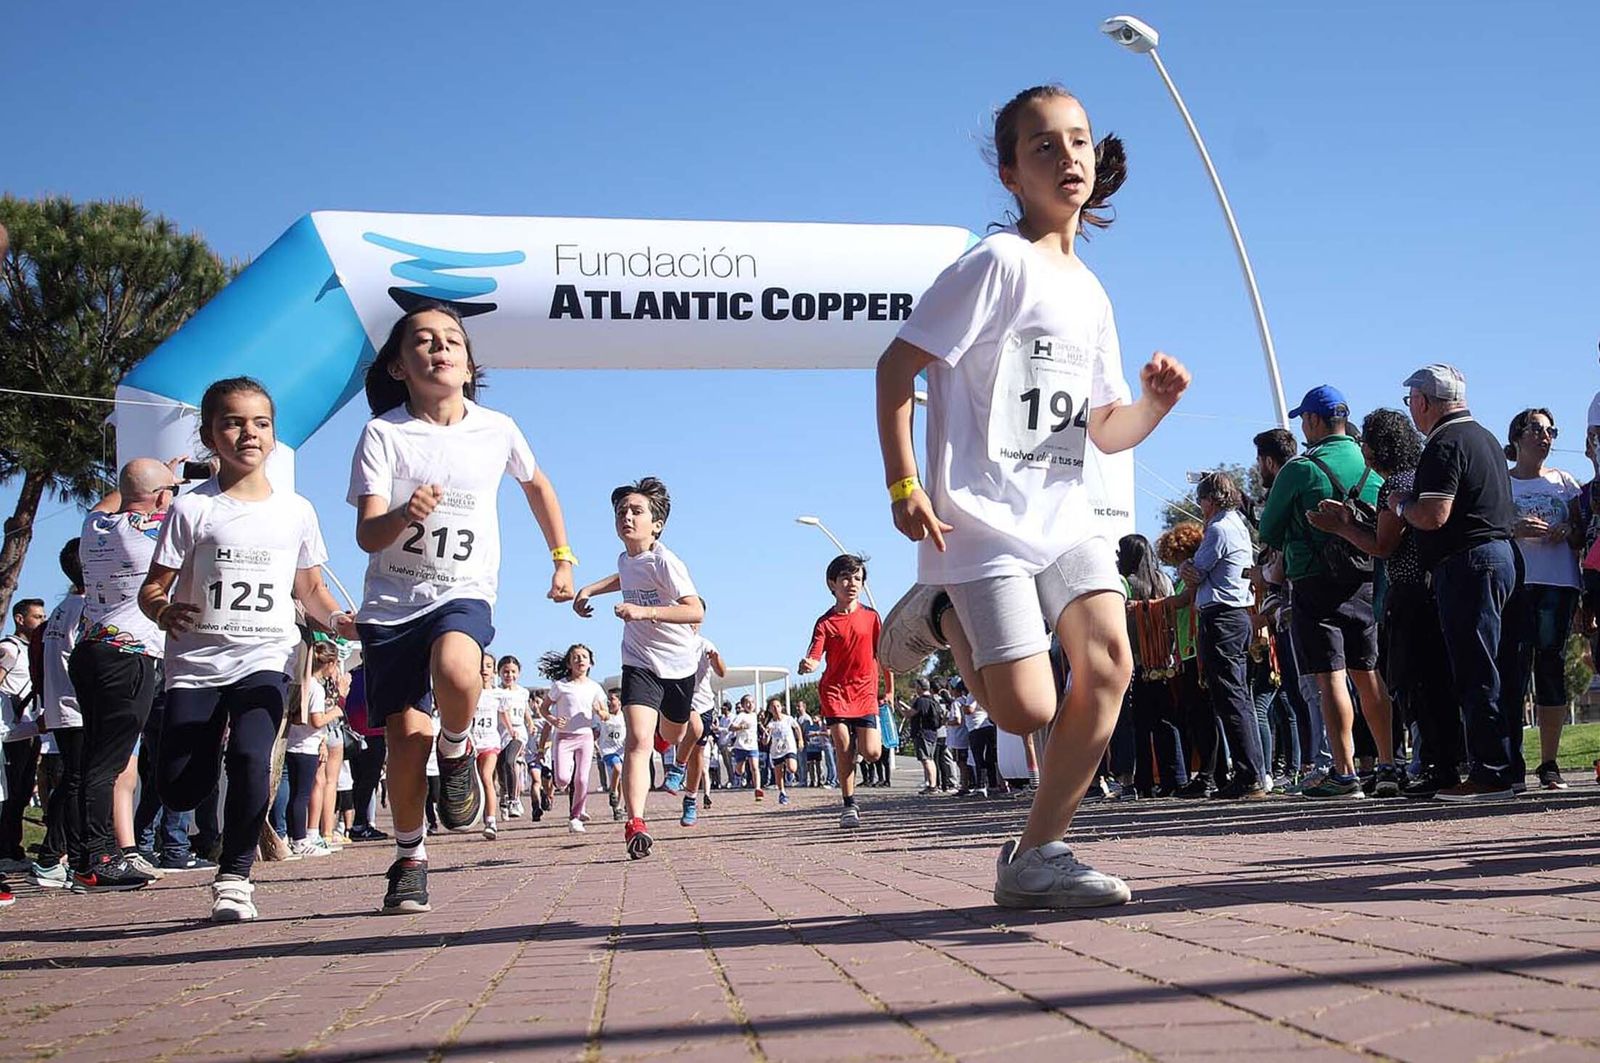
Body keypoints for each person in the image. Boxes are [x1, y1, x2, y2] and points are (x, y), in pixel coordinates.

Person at [874, 84, 1190, 908]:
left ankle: (1038, 854)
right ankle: (938, 613)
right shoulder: (993, 264)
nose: (1068, 157)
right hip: (977, 520)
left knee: (1111, 666)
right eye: (1043, 146)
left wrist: (1152, 405)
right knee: (1026, 708)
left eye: (1078, 141)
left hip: (1066, 514)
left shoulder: (1091, 290)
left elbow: (1103, 428)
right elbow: (895, 369)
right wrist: (905, 482)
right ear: (1011, 173)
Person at [349, 302, 574, 913]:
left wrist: (562, 556)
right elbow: (368, 534)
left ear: (470, 362)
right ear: (399, 364)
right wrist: (404, 515)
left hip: (464, 589)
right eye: (422, 340)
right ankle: (410, 856)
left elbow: (538, 485)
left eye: (452, 339)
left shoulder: (496, 427)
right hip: (393, 603)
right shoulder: (384, 433)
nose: (439, 348)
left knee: (456, 670)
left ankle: (456, 746)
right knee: (402, 738)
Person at [136, 378, 354, 919]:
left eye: (260, 423)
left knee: (254, 756)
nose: (247, 433)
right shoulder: (192, 510)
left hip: (266, 657)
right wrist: (163, 611)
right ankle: (197, 769)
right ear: (211, 434)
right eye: (232, 422)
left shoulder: (296, 511)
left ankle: (234, 877)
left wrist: (342, 623)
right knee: (182, 787)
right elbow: (151, 589)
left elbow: (310, 589)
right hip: (196, 663)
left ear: (274, 436)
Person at [1258, 385, 1398, 798]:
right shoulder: (1370, 466)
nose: (1303, 426)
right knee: (1369, 673)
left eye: (1304, 419)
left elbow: (1268, 530)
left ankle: (1345, 772)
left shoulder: (1300, 470)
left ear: (1315, 421)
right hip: (1366, 577)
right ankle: (1388, 764)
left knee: (1330, 677)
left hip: (1315, 582)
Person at [1309, 409, 1455, 796]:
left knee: (1414, 682)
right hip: (1426, 591)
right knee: (1423, 681)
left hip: (1410, 594)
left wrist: (1342, 526)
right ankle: (1436, 762)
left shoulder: (1397, 487)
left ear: (1379, 449)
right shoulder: (1415, 478)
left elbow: (1383, 545)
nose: (1363, 449)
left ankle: (1435, 765)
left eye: (1368, 442)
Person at [1390, 365, 1518, 801]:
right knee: (1496, 665)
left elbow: (1433, 515)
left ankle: (1491, 773)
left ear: (1424, 402)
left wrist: (1400, 504)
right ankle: (1506, 764)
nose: (1410, 411)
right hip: (1497, 556)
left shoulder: (1445, 442)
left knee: (1475, 669)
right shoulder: (1483, 437)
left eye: (1411, 402)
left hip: (1467, 562)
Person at [63, 458, 179, 891]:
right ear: (162, 498)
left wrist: (156, 476)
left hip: (91, 649)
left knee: (91, 759)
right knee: (106, 765)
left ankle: (84, 856)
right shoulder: (153, 533)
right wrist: (169, 485)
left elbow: (109, 501)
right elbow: (174, 512)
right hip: (130, 656)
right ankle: (96, 858)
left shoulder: (96, 529)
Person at [573, 477, 704, 860]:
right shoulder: (625, 558)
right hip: (639, 662)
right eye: (621, 512)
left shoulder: (667, 561)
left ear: (656, 523)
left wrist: (644, 611)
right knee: (637, 741)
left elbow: (695, 610)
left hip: (678, 667)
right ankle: (635, 824)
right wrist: (590, 590)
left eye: (636, 511)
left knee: (672, 734)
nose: (626, 516)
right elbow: (625, 577)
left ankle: (668, 747)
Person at [1502, 408, 1582, 790]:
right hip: (1516, 584)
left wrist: (1568, 528)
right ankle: (1510, 761)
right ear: (1517, 436)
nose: (1545, 436)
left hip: (1558, 584)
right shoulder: (1502, 484)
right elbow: (1485, 529)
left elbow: (1585, 532)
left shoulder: (1566, 483)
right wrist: (1513, 528)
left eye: (1551, 430)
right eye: (1536, 429)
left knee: (1551, 669)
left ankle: (1549, 763)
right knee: (1513, 671)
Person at [1181, 471, 1268, 798]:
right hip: (1236, 616)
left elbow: (1195, 573)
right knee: (1239, 697)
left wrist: (1187, 568)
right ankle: (1253, 772)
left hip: (1221, 617)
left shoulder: (1217, 529)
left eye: (1201, 500)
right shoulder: (1238, 526)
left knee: (1230, 698)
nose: (1200, 506)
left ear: (1210, 500)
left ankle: (1248, 777)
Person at [799, 554, 885, 826]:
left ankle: (857, 751)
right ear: (832, 584)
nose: (852, 583)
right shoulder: (825, 622)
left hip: (865, 692)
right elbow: (814, 653)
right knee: (843, 747)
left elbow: (883, 656)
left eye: (857, 578)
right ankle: (849, 806)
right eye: (845, 578)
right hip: (835, 693)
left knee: (872, 753)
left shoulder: (872, 618)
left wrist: (890, 690)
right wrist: (809, 664)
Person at [30, 542, 87, 889]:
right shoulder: (83, 611)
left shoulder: (61, 611)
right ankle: (57, 857)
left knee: (72, 782)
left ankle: (59, 856)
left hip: (61, 708)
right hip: (76, 710)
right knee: (76, 784)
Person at [1117, 533, 1187, 797]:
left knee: (1139, 725)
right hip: (1163, 662)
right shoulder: (1164, 581)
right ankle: (1175, 778)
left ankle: (1143, 782)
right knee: (1166, 722)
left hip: (1136, 663)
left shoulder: (1125, 583)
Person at [538, 643, 608, 832]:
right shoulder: (560, 686)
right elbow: (543, 709)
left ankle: (576, 816)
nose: (580, 660)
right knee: (562, 780)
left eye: (584, 657)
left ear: (591, 663)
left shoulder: (595, 688)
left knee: (582, 779)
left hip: (585, 737)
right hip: (563, 738)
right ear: (569, 663)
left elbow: (605, 714)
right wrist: (553, 720)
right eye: (575, 657)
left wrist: (600, 713)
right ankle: (565, 793)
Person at [285, 642, 343, 858]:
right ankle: (300, 839)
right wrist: (336, 711)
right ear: (329, 664)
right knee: (301, 794)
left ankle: (292, 836)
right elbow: (317, 720)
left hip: (295, 743)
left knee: (294, 794)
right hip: (305, 746)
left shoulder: (300, 683)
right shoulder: (316, 688)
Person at [0, 597, 46, 870]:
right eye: (36, 617)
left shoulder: (32, 649)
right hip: (13, 733)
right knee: (13, 793)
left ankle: (13, 850)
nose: (41, 621)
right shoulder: (10, 648)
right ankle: (6, 851)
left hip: (29, 730)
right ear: (20, 619)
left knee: (22, 793)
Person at [673, 625, 726, 826]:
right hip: (681, 702)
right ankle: (677, 769)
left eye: (695, 620)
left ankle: (690, 799)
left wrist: (715, 658)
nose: (691, 625)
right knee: (692, 729)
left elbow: (722, 672)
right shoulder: (672, 642)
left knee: (697, 756)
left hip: (704, 704)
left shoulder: (705, 644)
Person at [468, 650, 509, 840]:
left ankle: (491, 821)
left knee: (486, 777)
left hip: (490, 742)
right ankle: (472, 813)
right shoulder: (468, 691)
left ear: (494, 671)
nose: (484, 669)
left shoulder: (499, 694)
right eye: (481, 665)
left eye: (489, 666)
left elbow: (504, 716)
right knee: (473, 781)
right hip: (470, 743)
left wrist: (514, 732)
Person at [495, 655, 530, 818]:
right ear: (499, 673)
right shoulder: (496, 692)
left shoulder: (523, 692)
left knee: (510, 761)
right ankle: (504, 796)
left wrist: (529, 722)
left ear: (519, 673)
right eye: (506, 672)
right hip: (499, 734)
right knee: (502, 770)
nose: (509, 675)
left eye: (513, 672)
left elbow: (525, 710)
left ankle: (514, 800)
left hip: (517, 733)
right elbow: (501, 713)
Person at [597, 689, 626, 819]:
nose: (609, 703)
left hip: (622, 751)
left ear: (619, 702)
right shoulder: (604, 716)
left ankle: (617, 807)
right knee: (617, 769)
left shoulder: (625, 716)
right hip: (608, 751)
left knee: (621, 780)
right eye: (608, 700)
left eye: (612, 699)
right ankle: (612, 791)